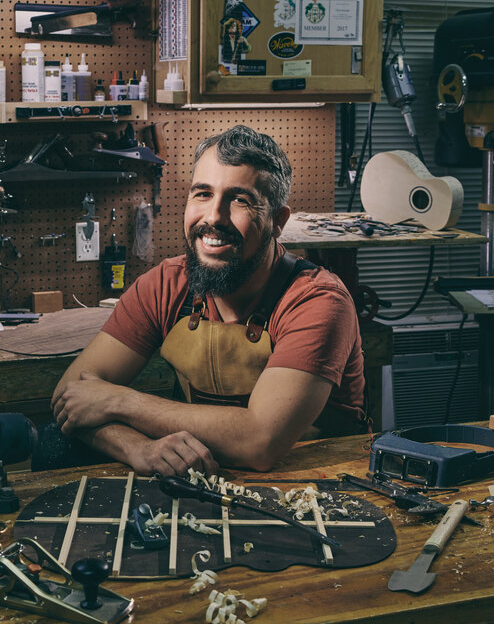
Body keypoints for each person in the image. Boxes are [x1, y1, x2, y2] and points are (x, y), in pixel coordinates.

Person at [48, 125, 366, 477]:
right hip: (210, 480)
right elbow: (70, 396)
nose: (214, 217)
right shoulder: (166, 285)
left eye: (240, 200)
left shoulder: (316, 301)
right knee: (54, 443)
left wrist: (119, 400)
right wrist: (139, 449)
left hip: (319, 487)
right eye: (202, 194)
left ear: (277, 221)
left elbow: (260, 442)